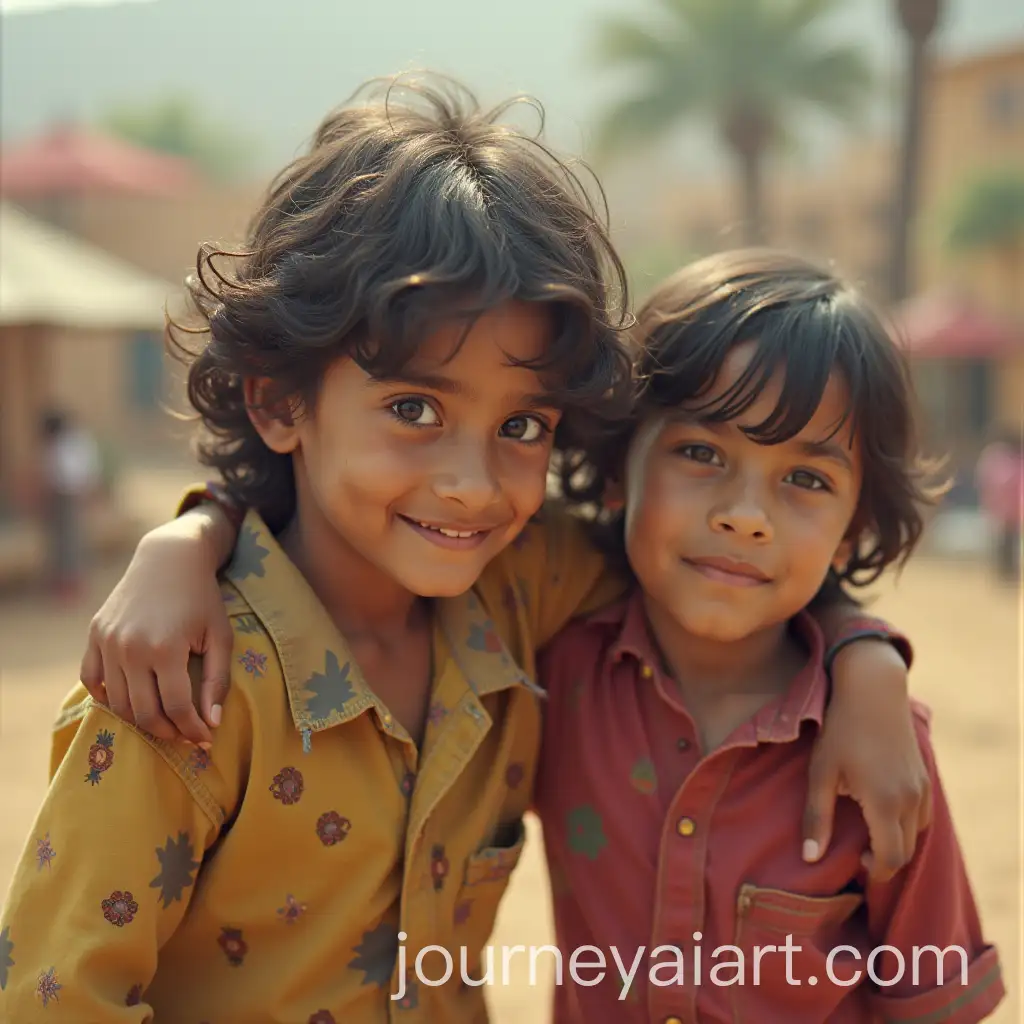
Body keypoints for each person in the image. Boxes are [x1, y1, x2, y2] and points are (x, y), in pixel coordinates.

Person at [1, 78, 925, 1023]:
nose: (474, 486)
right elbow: (54, 999)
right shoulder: (180, 686)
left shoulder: (516, 588)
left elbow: (709, 556)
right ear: (279, 400)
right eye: (414, 409)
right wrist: (188, 538)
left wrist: (863, 659)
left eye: (522, 426)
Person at [534, 250, 1003, 1022]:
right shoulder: (558, 672)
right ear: (618, 468)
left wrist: (866, 656)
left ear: (852, 530)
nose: (745, 515)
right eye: (701, 453)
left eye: (806, 479)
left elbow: (933, 1001)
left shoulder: (880, 754)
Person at [38, 409, 101, 601]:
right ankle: (69, 584)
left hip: (66, 495)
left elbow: (61, 474)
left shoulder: (63, 445)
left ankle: (70, 585)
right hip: (71, 495)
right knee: (68, 541)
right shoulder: (76, 440)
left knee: (68, 542)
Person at [976, 429, 1022, 582]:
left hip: (1012, 509)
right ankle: (1004, 570)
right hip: (1002, 508)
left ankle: (1009, 570)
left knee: (1011, 539)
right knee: (1003, 539)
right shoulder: (997, 457)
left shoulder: (1010, 459)